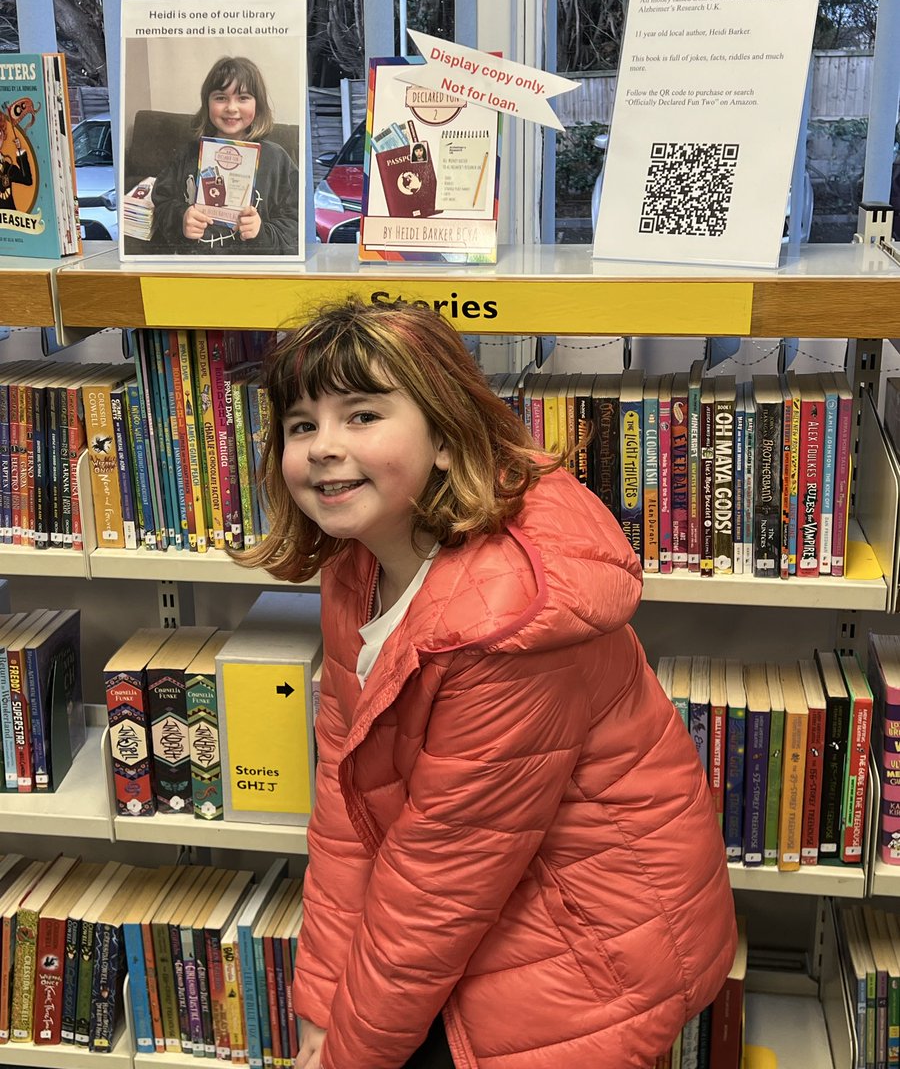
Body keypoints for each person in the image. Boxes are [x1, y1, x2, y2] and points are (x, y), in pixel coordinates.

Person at [239, 298, 736, 1069]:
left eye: (362, 415)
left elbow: (438, 887)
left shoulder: (501, 626)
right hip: (487, 896)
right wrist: (320, 1006)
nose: (323, 448)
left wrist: (349, 1057)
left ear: (443, 436)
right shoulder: (361, 558)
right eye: (302, 425)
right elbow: (346, 805)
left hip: (594, 945)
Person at [150, 55, 299, 255]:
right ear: (207, 103)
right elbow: (162, 202)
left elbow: (296, 224)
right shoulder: (187, 154)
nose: (231, 108)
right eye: (221, 97)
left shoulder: (277, 160)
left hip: (253, 273)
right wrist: (181, 218)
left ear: (258, 104)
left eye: (243, 98)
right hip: (196, 270)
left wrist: (261, 231)